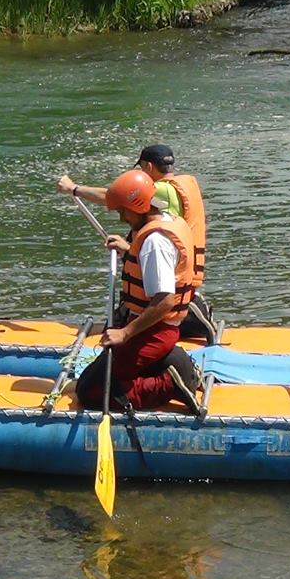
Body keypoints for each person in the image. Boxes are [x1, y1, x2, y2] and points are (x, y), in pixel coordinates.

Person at [75, 169, 201, 415]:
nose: (122, 218)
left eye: (123, 211)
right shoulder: (167, 221)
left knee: (90, 390)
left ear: (140, 205)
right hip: (158, 329)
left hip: (153, 331)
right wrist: (130, 250)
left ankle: (169, 386)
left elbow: (164, 300)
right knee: (94, 374)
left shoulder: (155, 243)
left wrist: (125, 333)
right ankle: (171, 364)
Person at [57, 144, 215, 341]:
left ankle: (192, 319)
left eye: (140, 169)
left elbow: (113, 197)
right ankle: (189, 312)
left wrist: (74, 189)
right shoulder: (179, 187)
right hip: (180, 272)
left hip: (171, 285)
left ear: (148, 167)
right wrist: (129, 250)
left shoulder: (160, 192)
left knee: (126, 321)